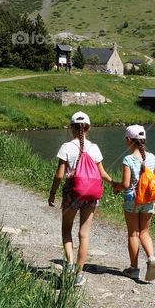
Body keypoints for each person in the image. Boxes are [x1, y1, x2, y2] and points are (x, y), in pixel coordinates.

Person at [48, 111, 116, 287]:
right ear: (89, 128)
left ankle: (69, 264)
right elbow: (102, 174)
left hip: (72, 192)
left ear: (71, 128)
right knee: (84, 235)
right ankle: (78, 274)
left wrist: (52, 193)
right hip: (91, 194)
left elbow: (59, 174)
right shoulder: (94, 148)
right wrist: (115, 183)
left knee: (66, 230)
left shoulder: (66, 147)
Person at [115, 124, 155, 282]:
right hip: (149, 200)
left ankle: (134, 269)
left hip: (132, 201)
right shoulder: (153, 158)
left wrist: (116, 186)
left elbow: (126, 184)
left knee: (133, 233)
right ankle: (151, 258)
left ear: (128, 140)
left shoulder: (128, 159)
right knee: (145, 233)